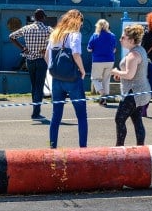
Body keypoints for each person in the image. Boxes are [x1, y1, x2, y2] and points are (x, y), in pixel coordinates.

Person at [45, 9, 88, 148]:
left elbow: (46, 56)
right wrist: (82, 71)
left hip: (57, 79)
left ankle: (53, 146)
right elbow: (76, 54)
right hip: (72, 79)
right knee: (81, 115)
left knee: (56, 115)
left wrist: (56, 69)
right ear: (77, 21)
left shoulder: (55, 34)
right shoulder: (75, 34)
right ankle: (83, 148)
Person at [110, 24, 150, 146]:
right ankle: (140, 147)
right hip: (140, 92)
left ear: (131, 40)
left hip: (133, 93)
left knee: (119, 119)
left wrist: (115, 71)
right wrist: (120, 75)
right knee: (137, 120)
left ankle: (119, 147)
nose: (120, 40)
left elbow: (129, 74)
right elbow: (130, 73)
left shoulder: (133, 55)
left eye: (123, 38)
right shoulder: (140, 50)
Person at [9, 9, 52, 120]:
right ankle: (36, 112)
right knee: (39, 86)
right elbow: (58, 39)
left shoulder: (26, 28)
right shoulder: (48, 29)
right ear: (43, 17)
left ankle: (35, 110)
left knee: (34, 86)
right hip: (41, 60)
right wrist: (47, 49)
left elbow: (11, 36)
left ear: (34, 17)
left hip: (30, 60)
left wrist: (23, 48)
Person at [86, 18, 117, 105]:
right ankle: (104, 100)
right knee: (106, 80)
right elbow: (114, 50)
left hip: (98, 61)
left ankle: (102, 93)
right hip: (110, 60)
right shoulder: (112, 36)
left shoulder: (95, 36)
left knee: (94, 78)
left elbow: (89, 49)